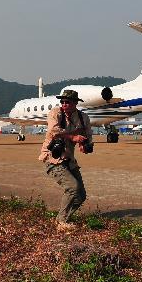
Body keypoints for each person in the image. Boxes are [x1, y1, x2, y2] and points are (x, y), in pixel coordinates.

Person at [38, 89, 93, 231]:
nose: (63, 104)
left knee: (81, 195)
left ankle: (63, 217)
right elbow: (54, 131)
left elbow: (88, 135)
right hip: (53, 159)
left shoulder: (83, 118)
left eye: (67, 102)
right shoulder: (55, 113)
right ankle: (61, 221)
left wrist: (84, 145)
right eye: (62, 101)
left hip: (69, 159)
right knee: (72, 188)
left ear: (75, 103)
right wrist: (73, 137)